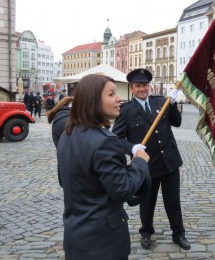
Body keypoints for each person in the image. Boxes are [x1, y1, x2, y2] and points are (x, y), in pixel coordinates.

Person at [56, 74, 150, 260]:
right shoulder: (105, 142)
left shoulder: (67, 134)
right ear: (93, 100)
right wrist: (139, 162)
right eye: (111, 94)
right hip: (103, 242)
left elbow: (63, 180)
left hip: (76, 237)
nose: (118, 99)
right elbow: (122, 190)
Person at [112, 68, 190, 250]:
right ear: (132, 88)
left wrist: (173, 103)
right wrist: (131, 148)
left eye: (145, 85)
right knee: (147, 202)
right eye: (138, 86)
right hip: (146, 165)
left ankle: (179, 233)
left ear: (149, 86)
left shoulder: (161, 102)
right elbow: (116, 139)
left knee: (173, 201)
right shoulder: (126, 111)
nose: (142, 89)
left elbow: (176, 122)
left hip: (169, 161)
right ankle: (146, 232)